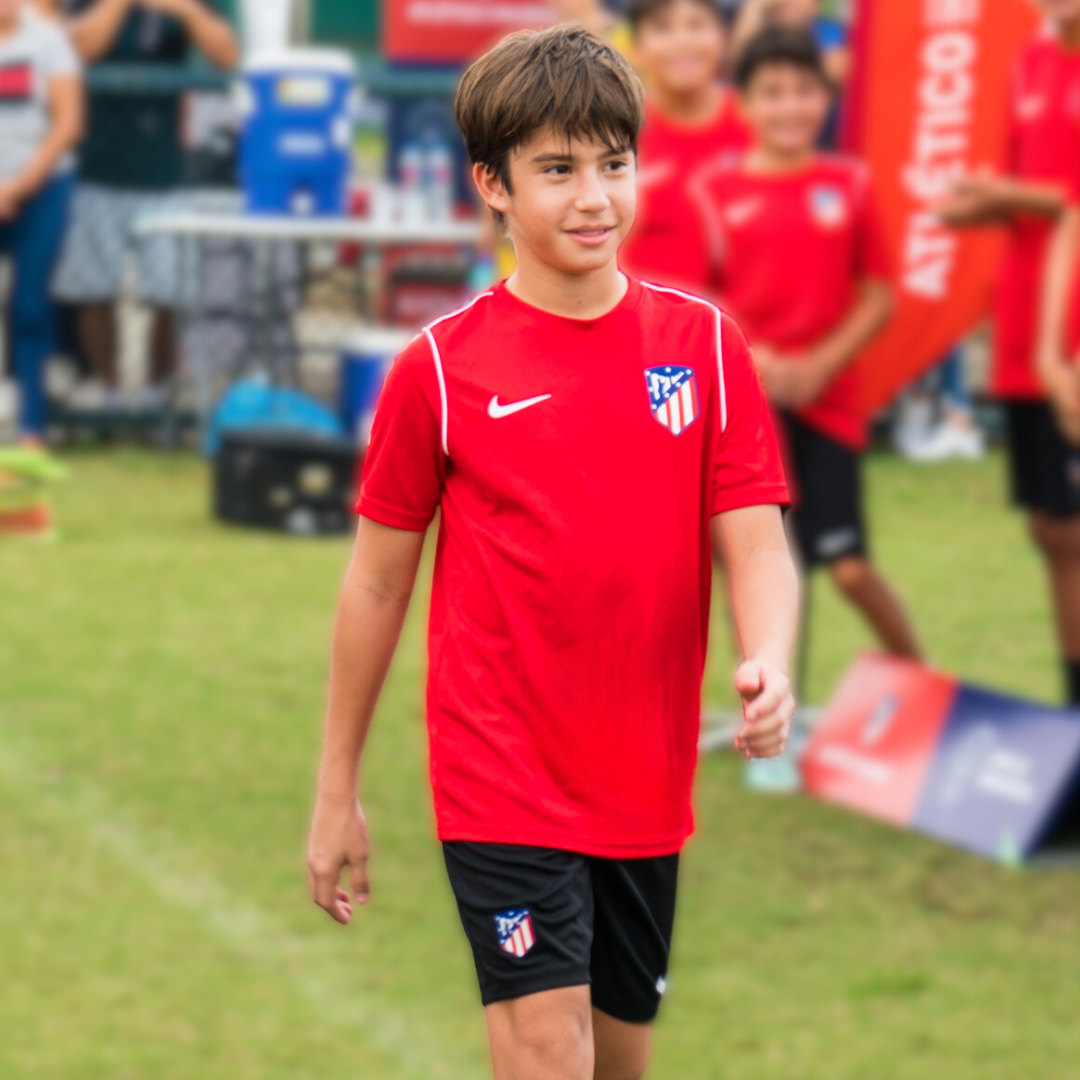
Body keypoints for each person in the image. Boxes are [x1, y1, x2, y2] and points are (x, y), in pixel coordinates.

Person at [308, 24, 798, 1080]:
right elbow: (378, 582)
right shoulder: (439, 372)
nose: (594, 198)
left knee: (617, 1060)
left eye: (613, 165)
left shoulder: (704, 347)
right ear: (492, 184)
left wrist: (770, 657)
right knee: (546, 1047)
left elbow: (756, 543)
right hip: (499, 771)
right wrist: (335, 785)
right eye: (558, 170)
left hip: (643, 774)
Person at [691, 27, 922, 661]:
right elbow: (697, 298)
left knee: (847, 568)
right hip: (746, 408)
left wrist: (818, 367)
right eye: (772, 93)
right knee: (758, 564)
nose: (789, 106)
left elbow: (879, 296)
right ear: (744, 104)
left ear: (826, 98)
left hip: (828, 401)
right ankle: (770, 726)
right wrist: (754, 362)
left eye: (804, 91)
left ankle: (921, 686)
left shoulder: (849, 184)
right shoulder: (713, 190)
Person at [937, 0, 1080, 707]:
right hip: (1029, 327)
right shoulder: (1028, 62)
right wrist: (975, 203)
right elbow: (1033, 195)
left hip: (1071, 340)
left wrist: (1012, 192)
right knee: (1054, 528)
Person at [53, 0, 237, 410]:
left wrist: (186, 11)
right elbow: (78, 49)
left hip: (165, 169)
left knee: (167, 289)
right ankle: (110, 391)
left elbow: (226, 54)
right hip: (97, 166)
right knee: (94, 286)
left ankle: (156, 395)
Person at [619, 0, 753, 292]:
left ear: (722, 37)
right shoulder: (617, 132)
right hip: (644, 322)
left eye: (696, 25)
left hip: (745, 331)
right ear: (637, 48)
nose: (682, 42)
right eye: (662, 28)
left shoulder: (760, 123)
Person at [0, 0, 83, 446]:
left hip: (43, 190)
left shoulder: (49, 40)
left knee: (30, 306)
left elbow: (68, 122)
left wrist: (17, 188)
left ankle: (33, 425)